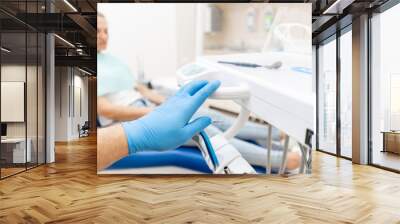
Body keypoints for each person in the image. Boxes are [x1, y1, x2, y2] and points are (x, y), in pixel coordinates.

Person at [97, 13, 300, 173]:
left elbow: (139, 88)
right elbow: (107, 111)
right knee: (206, 130)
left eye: (107, 31)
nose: (104, 36)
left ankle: (279, 136)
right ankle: (286, 161)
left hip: (145, 107)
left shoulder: (112, 61)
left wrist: (168, 102)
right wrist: (151, 116)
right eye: (98, 31)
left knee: (207, 116)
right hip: (128, 121)